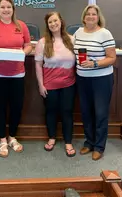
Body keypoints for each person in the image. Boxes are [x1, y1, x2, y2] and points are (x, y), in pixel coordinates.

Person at [0, 0, 32, 158]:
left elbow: (28, 45)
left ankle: (12, 137)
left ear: (13, 9)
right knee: (1, 106)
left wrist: (23, 52)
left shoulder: (21, 26)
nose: (6, 10)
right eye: (2, 7)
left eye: (8, 7)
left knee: (17, 106)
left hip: (17, 73)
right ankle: (2, 139)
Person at [73, 4, 116, 161]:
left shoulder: (105, 33)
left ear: (98, 17)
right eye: (88, 14)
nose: (91, 16)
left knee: (100, 113)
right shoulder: (78, 32)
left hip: (101, 79)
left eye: (94, 14)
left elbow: (112, 58)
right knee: (86, 112)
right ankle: (89, 142)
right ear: (83, 17)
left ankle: (99, 146)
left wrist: (95, 64)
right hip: (82, 78)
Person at [35, 12, 76, 157]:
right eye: (50, 22)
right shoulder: (42, 42)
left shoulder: (71, 40)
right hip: (49, 85)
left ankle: (68, 142)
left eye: (55, 20)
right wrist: (41, 85)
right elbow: (38, 64)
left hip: (68, 84)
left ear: (61, 21)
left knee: (67, 112)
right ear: (47, 25)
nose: (53, 24)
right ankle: (51, 138)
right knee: (51, 112)